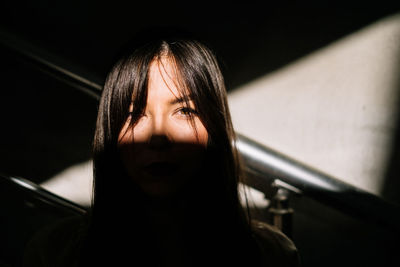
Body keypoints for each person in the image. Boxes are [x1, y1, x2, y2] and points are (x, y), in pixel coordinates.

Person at [23, 29, 300, 267]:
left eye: (184, 111)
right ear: (110, 129)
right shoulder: (55, 254)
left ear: (213, 127)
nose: (157, 136)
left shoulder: (269, 255)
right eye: (134, 114)